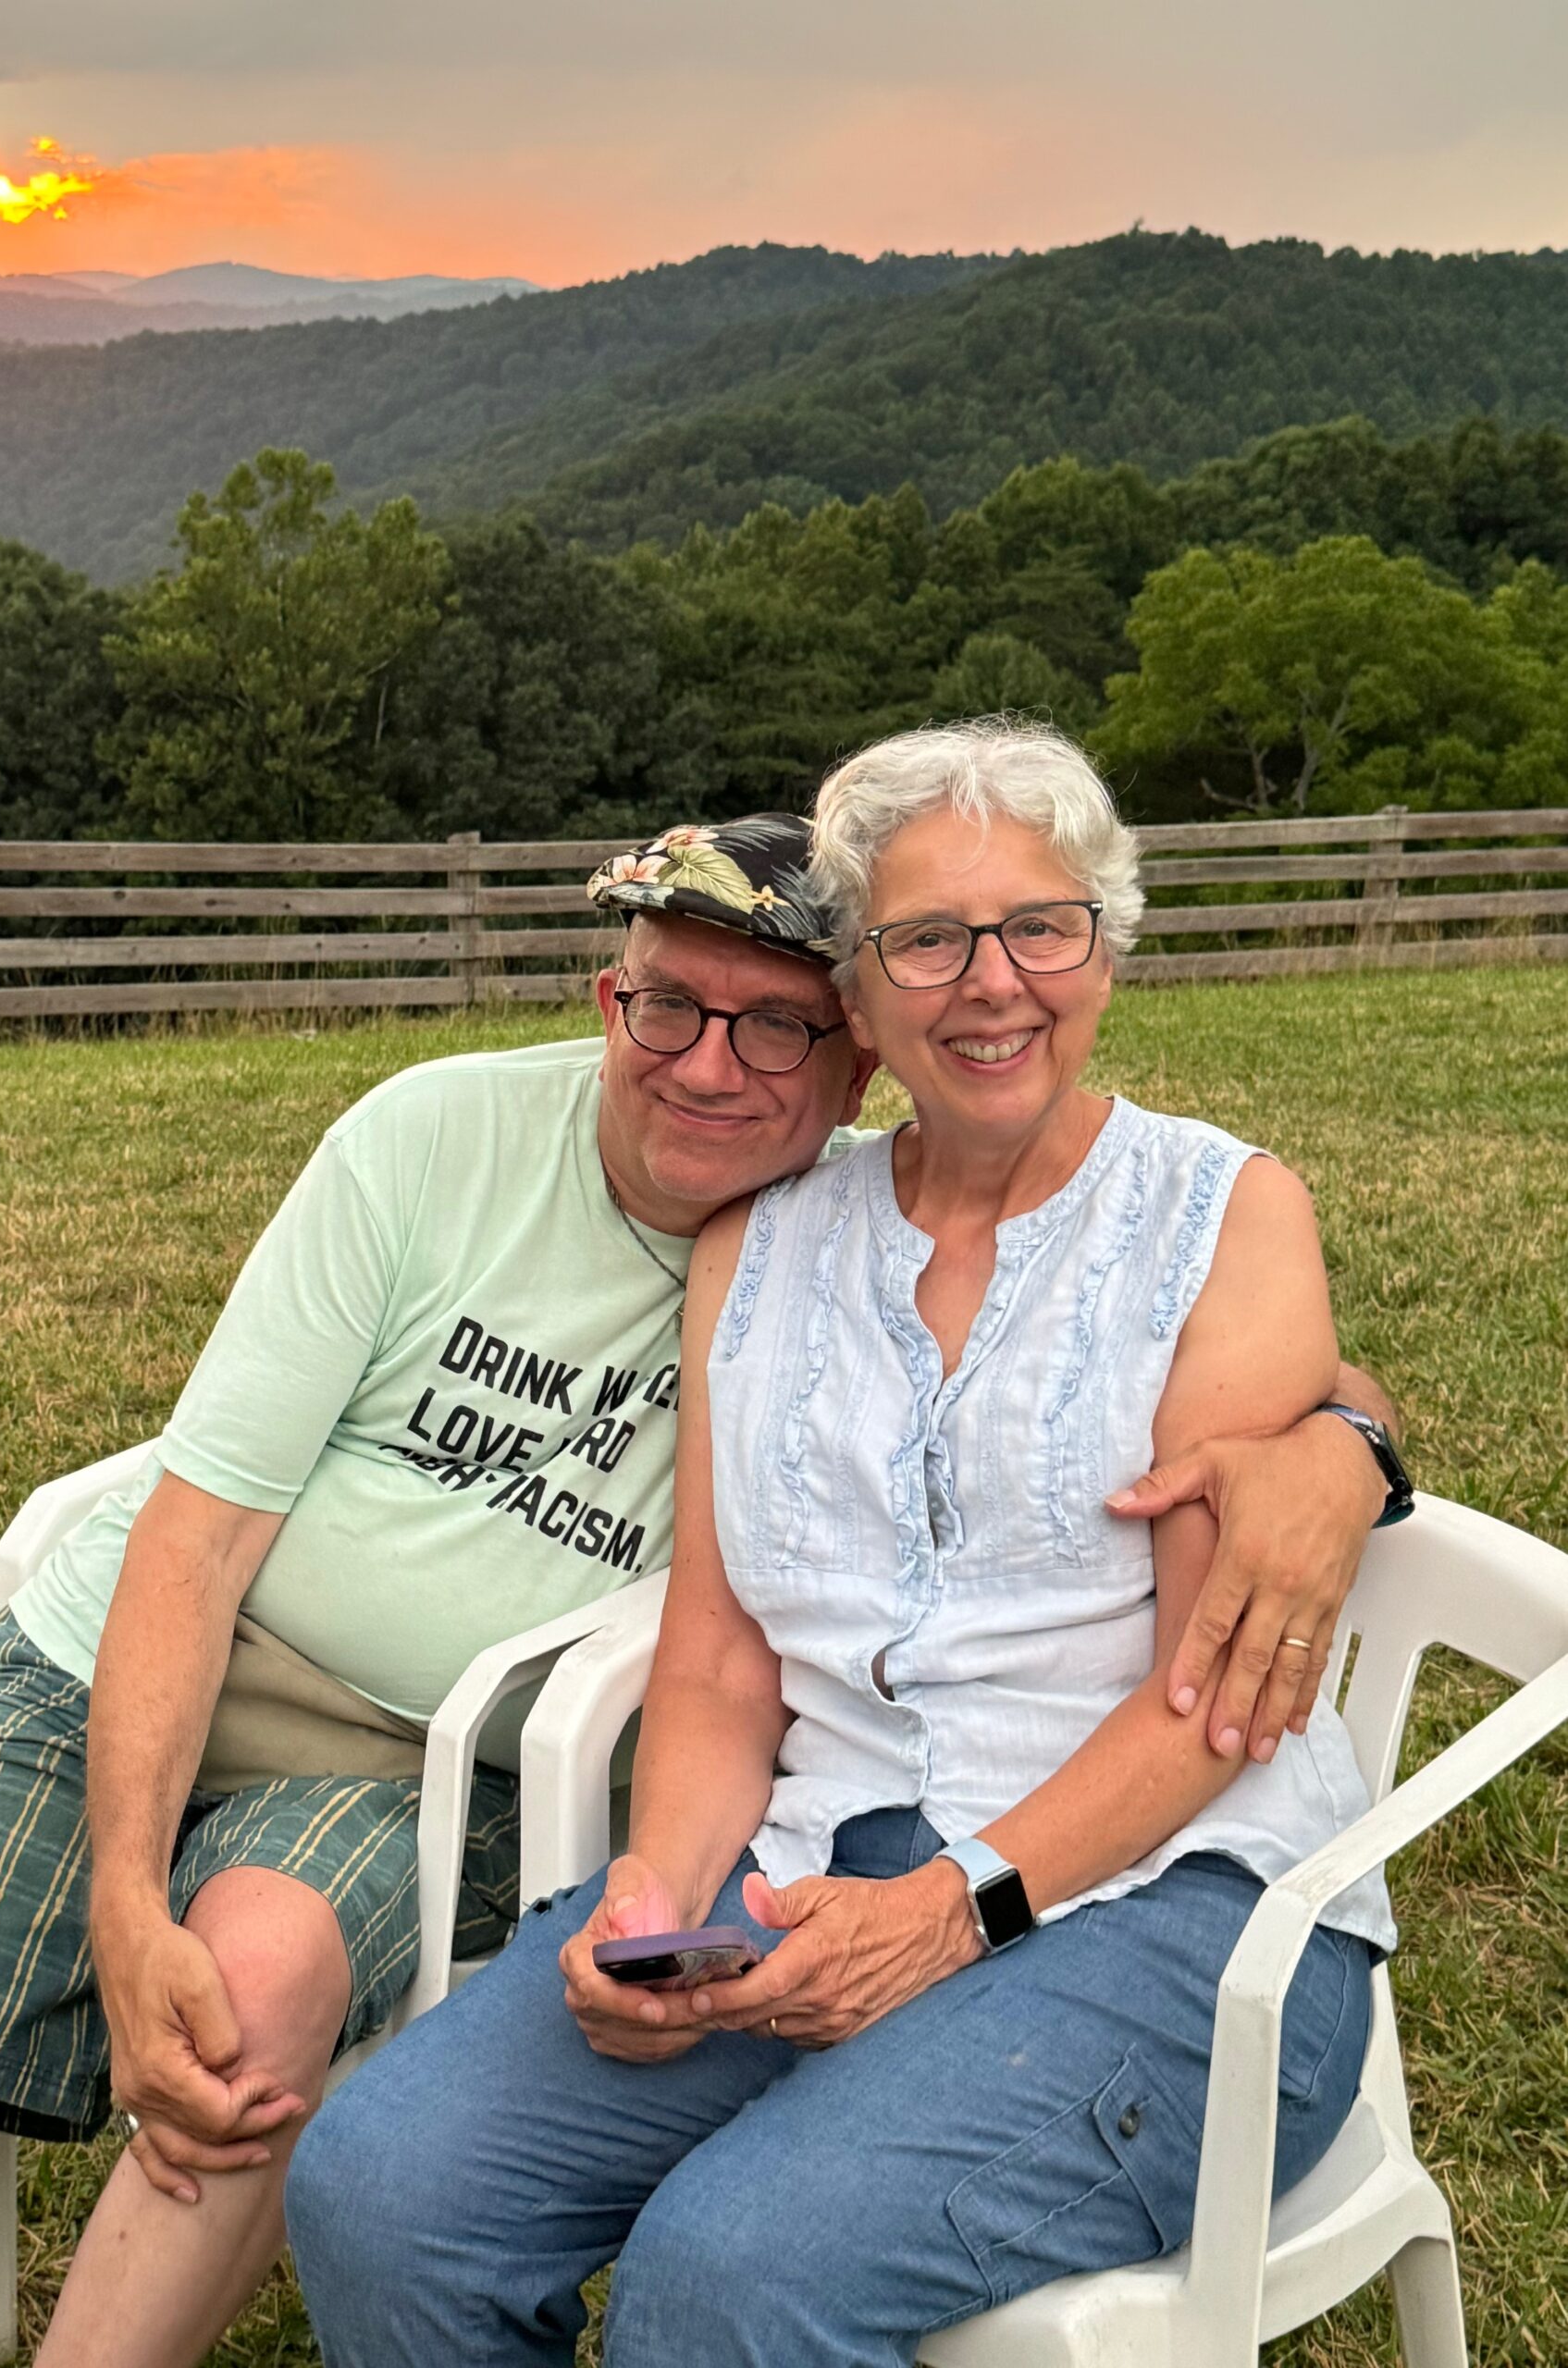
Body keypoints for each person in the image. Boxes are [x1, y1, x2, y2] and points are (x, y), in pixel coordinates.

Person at [0, 811, 1400, 2368]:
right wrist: (138, 1893)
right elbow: (222, 1540)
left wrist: (1348, 1443)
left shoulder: (1022, 1213)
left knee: (275, 2052)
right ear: (612, 999)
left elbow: (1193, 1355)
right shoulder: (549, 1175)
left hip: (439, 1764)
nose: (711, 1065)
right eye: (666, 1007)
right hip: (168, 1663)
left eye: (773, 1023)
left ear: (846, 1051)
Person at [287, 722, 1405, 2368]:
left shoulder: (1222, 1217)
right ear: (861, 1008)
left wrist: (957, 1910)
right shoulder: (769, 1241)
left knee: (737, 2272)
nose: (992, 981)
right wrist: (655, 1901)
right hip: (812, 1866)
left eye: (1042, 925)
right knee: (383, 2187)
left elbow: (1208, 1698)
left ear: (1105, 954)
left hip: (1175, 1919)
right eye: (924, 942)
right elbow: (727, 1658)